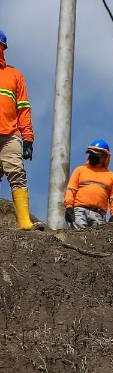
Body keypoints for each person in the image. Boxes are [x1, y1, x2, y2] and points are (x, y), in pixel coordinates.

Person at [0, 29, 37, 230]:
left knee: (17, 173)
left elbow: (23, 108)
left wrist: (28, 138)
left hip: (10, 136)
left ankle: (24, 222)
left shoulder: (15, 75)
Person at [63, 139, 113, 229]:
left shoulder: (110, 176)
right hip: (79, 211)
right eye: (91, 154)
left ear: (105, 157)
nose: (92, 156)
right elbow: (71, 190)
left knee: (96, 240)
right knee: (79, 237)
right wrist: (69, 207)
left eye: (96, 154)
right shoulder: (80, 170)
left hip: (98, 214)